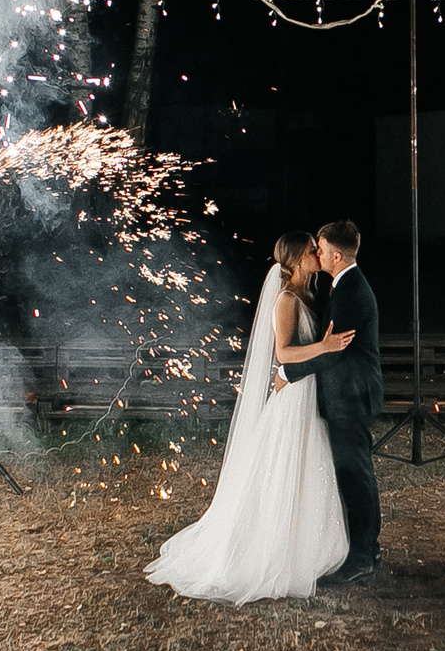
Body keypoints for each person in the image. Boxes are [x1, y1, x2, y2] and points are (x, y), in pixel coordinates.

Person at [145, 232, 354, 603]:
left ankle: (306, 546)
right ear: (294, 259)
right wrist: (324, 345)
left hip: (306, 395)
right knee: (283, 468)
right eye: (310, 251)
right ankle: (271, 553)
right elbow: (284, 354)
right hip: (292, 399)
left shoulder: (307, 295)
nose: (316, 255)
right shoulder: (287, 299)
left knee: (308, 466)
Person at [285, 220, 383, 584]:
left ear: (337, 255)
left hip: (351, 396)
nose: (318, 253)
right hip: (349, 394)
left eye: (322, 249)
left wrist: (287, 374)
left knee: (355, 474)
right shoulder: (344, 286)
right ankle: (366, 548)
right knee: (354, 472)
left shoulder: (351, 292)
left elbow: (332, 352)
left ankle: (362, 556)